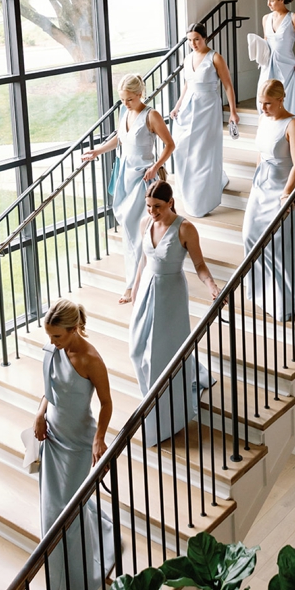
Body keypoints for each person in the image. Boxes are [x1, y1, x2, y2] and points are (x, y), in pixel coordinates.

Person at [32, 299, 116, 590]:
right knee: (52, 513)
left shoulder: (91, 359)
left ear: (73, 329)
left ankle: (86, 574)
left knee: (67, 514)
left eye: (57, 336)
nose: (51, 342)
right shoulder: (53, 350)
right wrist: (40, 414)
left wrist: (99, 439)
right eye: (49, 336)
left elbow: (106, 403)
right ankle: (61, 583)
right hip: (52, 439)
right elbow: (49, 391)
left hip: (79, 444)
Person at [119, 182, 218, 442]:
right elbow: (143, 260)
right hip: (147, 291)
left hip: (170, 293)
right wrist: (134, 290)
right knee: (136, 350)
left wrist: (212, 286)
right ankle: (151, 400)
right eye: (149, 206)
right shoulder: (145, 224)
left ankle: (169, 416)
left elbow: (199, 264)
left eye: (158, 207)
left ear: (171, 202)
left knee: (164, 355)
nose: (152, 212)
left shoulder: (185, 228)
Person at [82, 74, 174, 271]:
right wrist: (97, 151)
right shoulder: (125, 113)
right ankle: (134, 277)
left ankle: (148, 271)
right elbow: (120, 139)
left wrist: (155, 167)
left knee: (140, 227)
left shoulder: (151, 115)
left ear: (140, 94)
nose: (126, 103)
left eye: (130, 99)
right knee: (129, 230)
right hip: (126, 176)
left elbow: (170, 145)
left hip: (144, 177)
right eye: (122, 99)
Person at [241, 81, 295, 321]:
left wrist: (287, 193)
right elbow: (261, 154)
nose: (262, 107)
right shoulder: (264, 119)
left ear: (281, 99)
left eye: (268, 103)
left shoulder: (293, 124)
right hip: (261, 187)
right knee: (250, 236)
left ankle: (283, 297)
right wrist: (254, 183)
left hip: (282, 189)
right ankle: (261, 289)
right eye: (260, 102)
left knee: (279, 243)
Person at [168, 23, 238, 217]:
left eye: (196, 39)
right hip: (189, 107)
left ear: (205, 37)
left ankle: (203, 197)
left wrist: (232, 112)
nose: (193, 43)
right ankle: (189, 190)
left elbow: (228, 86)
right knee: (181, 148)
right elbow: (186, 85)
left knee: (203, 150)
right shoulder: (187, 58)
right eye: (190, 40)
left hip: (208, 107)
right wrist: (177, 105)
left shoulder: (215, 57)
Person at [259, 0, 295, 119]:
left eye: (272, 0)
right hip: (268, 66)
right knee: (266, 96)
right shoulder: (265, 18)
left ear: (281, 0)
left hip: (288, 67)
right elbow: (265, 42)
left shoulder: (294, 18)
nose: (268, 4)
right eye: (267, 0)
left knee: (291, 102)